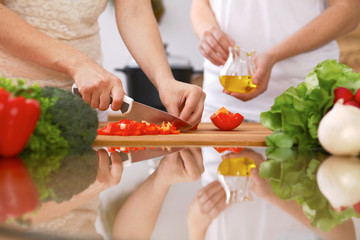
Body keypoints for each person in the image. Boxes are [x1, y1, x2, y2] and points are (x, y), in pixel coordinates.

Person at [0, 0, 205, 124]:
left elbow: (133, 10)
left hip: (86, 112)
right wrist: (78, 63)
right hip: (9, 106)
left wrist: (164, 80)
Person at [190, 0, 360, 122]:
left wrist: (275, 55)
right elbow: (201, 4)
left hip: (305, 107)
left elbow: (348, 9)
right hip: (219, 108)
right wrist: (208, 32)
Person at [187, 148, 356, 240]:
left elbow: (194, 226)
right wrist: (273, 191)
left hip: (222, 151)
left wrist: (204, 206)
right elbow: (345, 233)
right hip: (290, 147)